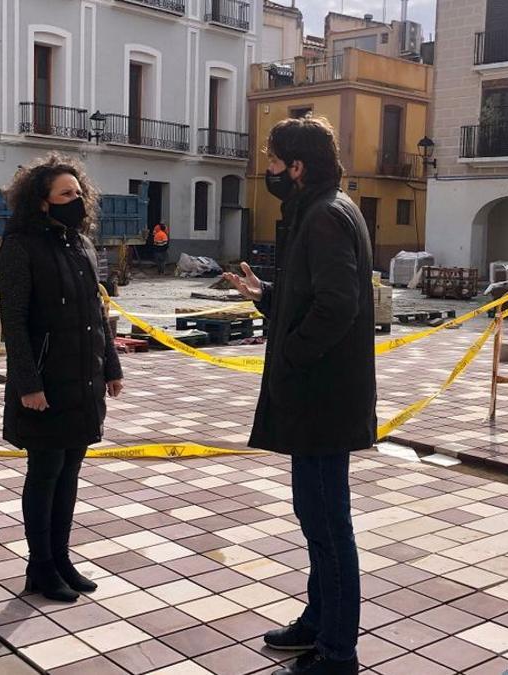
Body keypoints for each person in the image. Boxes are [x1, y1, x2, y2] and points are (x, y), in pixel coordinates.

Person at [224, 116, 376, 675]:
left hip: (322, 399)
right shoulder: (324, 209)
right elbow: (314, 295)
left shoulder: (325, 216)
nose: (265, 170)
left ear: (297, 166)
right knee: (317, 519)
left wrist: (290, 355)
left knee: (329, 524)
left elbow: (337, 305)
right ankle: (318, 624)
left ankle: (338, 652)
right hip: (322, 397)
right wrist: (268, 297)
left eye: (271, 160)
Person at [0, 154, 125, 603]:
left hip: (82, 379)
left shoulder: (82, 245)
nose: (76, 200)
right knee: (46, 470)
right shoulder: (21, 246)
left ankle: (62, 557)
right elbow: (13, 320)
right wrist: (28, 383)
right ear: (43, 203)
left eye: (79, 193)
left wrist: (111, 364)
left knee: (69, 470)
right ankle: (41, 567)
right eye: (65, 194)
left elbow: (96, 311)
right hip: (46, 384)